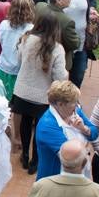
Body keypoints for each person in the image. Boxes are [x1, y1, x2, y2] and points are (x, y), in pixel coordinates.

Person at [13, 11, 68, 175]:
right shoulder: (57, 49)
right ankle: (35, 160)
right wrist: (67, 75)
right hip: (43, 96)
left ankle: (24, 154)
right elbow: (59, 76)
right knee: (39, 127)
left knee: (25, 123)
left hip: (23, 91)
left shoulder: (26, 39)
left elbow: (19, 60)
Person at [34, 81, 97, 180]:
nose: (77, 105)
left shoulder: (75, 111)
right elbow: (71, 158)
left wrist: (84, 129)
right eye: (74, 102)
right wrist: (87, 147)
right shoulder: (47, 126)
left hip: (78, 173)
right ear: (60, 104)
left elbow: (94, 132)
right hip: (56, 179)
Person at [0, 0, 35, 97]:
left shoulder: (4, 24)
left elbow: (1, 41)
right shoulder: (31, 29)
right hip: (19, 72)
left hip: (3, 67)